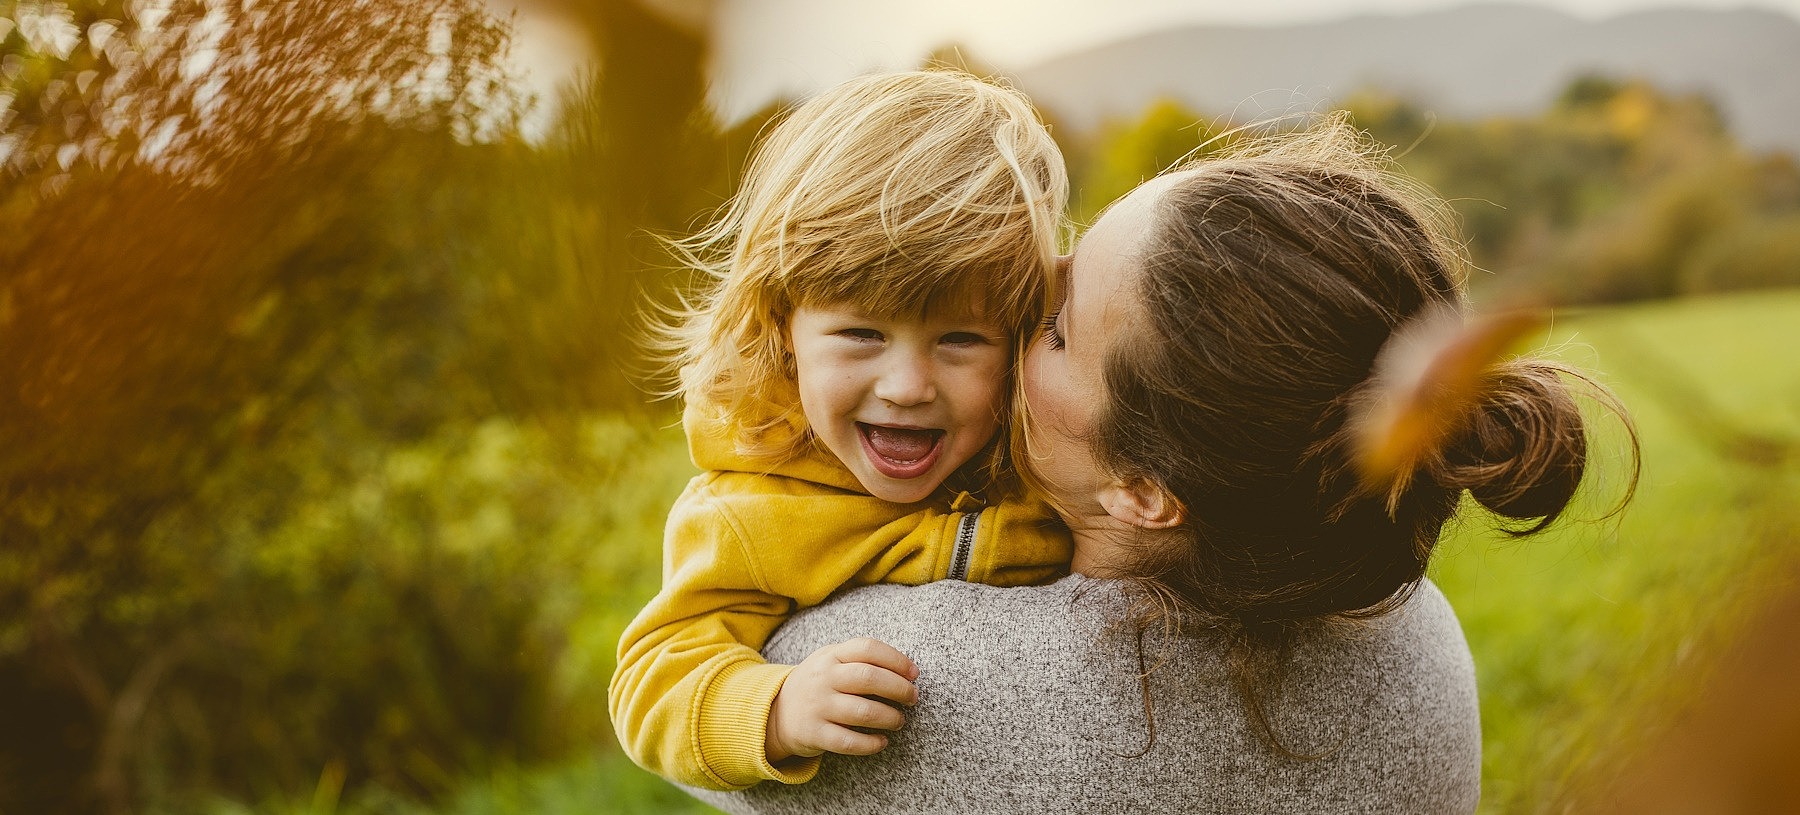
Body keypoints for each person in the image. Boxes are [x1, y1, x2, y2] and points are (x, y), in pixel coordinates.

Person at [691, 116, 1637, 812]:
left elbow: (688, 728)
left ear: (1143, 490)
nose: (1025, 302)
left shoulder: (894, 680)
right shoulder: (1411, 630)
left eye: (1054, 331)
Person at [608, 70, 1074, 792]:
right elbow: (652, 677)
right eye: (861, 333)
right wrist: (775, 708)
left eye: (960, 340)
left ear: (1018, 340)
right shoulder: (751, 510)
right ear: (782, 329)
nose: (908, 386)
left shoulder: (1044, 451)